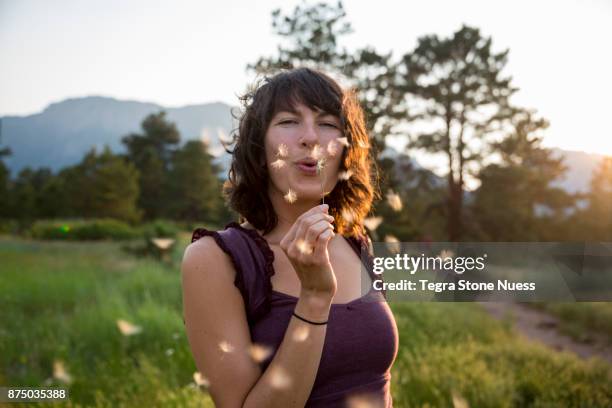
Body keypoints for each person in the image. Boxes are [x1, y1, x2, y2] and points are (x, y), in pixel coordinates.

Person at [181, 67, 399, 407]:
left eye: (328, 124)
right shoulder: (215, 259)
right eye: (288, 121)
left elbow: (377, 384)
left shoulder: (357, 244)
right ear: (259, 146)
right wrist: (313, 298)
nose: (311, 138)